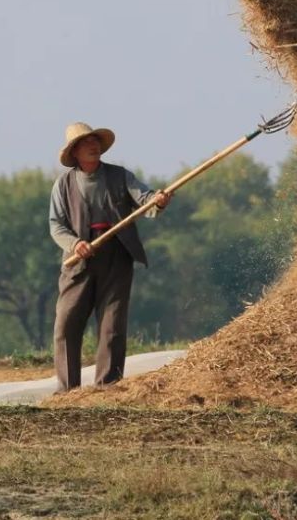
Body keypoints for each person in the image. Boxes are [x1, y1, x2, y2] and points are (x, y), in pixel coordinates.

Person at [48, 122, 171, 392]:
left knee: (111, 326)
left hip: (117, 256)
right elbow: (56, 225)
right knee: (66, 322)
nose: (92, 146)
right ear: (75, 152)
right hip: (78, 260)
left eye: (94, 141)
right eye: (85, 143)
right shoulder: (63, 184)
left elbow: (145, 199)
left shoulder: (120, 176)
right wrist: (75, 243)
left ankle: (108, 387)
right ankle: (68, 390)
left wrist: (158, 200)